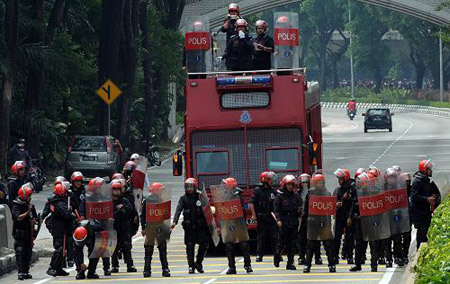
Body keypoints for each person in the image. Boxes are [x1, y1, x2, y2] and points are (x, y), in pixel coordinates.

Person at [171, 178, 210, 274]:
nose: (189, 189)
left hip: (201, 226)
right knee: (190, 246)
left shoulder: (201, 197)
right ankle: (191, 266)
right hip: (189, 227)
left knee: (204, 245)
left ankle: (199, 263)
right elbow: (178, 209)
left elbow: (208, 210)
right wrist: (174, 222)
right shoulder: (183, 198)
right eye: (187, 187)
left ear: (195, 187)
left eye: (191, 187)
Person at [349, 173, 385, 272]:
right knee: (359, 243)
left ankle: (374, 264)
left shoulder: (375, 192)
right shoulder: (358, 192)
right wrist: (351, 216)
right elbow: (354, 205)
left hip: (372, 220)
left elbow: (380, 205)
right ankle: (357, 264)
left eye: (363, 183)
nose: (361, 184)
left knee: (373, 243)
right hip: (360, 221)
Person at [217, 177, 252, 274]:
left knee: (244, 244)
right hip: (227, 223)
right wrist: (219, 226)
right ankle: (232, 267)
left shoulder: (238, 197)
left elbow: (242, 212)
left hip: (239, 222)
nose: (223, 187)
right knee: (229, 245)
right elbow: (220, 212)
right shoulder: (222, 197)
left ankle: (248, 265)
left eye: (225, 185)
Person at [303, 174, 337, 273]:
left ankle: (332, 265)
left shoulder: (327, 193)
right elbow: (306, 209)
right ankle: (307, 265)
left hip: (324, 222)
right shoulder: (310, 194)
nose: (321, 184)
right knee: (310, 245)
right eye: (319, 183)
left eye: (322, 182)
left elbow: (330, 207)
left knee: (328, 244)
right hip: (313, 223)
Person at [141, 182, 171, 278]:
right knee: (161, 248)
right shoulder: (153, 201)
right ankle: (165, 269)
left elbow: (143, 216)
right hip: (157, 226)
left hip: (152, 226)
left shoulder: (148, 201)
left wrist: (143, 228)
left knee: (149, 249)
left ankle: (147, 270)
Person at [410, 159, 441, 250]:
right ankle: (419, 250)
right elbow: (414, 196)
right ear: (424, 170)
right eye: (429, 169)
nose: (431, 171)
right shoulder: (417, 181)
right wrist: (427, 199)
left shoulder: (426, 180)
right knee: (422, 231)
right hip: (418, 212)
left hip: (425, 211)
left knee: (427, 228)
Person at [274, 175, 303, 270]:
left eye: (292, 185)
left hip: (294, 221)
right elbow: (276, 210)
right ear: (284, 185)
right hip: (284, 221)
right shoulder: (280, 196)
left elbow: (300, 207)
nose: (291, 186)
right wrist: (278, 220)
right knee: (282, 242)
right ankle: (277, 255)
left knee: (293, 243)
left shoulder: (296, 196)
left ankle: (290, 262)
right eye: (289, 184)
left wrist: (300, 213)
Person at [47, 183, 75, 277]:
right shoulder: (59, 203)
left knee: (63, 249)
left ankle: (58, 268)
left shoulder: (59, 202)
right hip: (59, 230)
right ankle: (52, 267)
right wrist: (71, 214)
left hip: (63, 229)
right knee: (59, 249)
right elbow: (66, 215)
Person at [250, 171, 278, 262]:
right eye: (269, 179)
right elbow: (252, 203)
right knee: (261, 237)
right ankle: (259, 255)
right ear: (264, 180)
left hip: (271, 217)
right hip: (261, 217)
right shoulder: (257, 190)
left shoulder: (273, 191)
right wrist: (253, 214)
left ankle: (277, 254)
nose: (271, 181)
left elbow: (276, 204)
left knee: (274, 237)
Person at [110, 179, 137, 273]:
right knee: (113, 247)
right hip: (113, 227)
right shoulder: (108, 202)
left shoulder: (125, 200)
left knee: (127, 246)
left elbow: (133, 212)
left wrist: (124, 208)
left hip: (124, 227)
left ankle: (130, 265)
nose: (116, 191)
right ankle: (114, 265)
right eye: (114, 189)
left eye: (118, 189)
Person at [11, 186, 38, 280]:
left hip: (28, 232)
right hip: (19, 232)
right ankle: (20, 272)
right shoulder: (16, 205)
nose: (30, 198)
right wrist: (28, 211)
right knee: (20, 251)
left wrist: (35, 221)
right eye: (29, 196)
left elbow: (34, 218)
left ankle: (26, 271)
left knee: (28, 252)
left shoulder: (30, 206)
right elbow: (18, 217)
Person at [297, 173, 322, 265]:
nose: (305, 185)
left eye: (307, 183)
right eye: (303, 183)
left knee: (316, 239)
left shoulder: (314, 192)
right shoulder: (297, 193)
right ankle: (301, 257)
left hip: (313, 218)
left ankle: (318, 257)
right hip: (302, 219)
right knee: (301, 239)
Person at [333, 168, 356, 265]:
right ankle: (335, 256)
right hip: (339, 216)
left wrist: (350, 217)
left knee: (349, 237)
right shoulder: (338, 190)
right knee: (336, 237)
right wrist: (336, 204)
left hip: (349, 216)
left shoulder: (353, 189)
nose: (339, 181)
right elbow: (332, 202)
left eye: (340, 179)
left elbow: (355, 203)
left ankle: (349, 256)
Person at [401, 172, 412, 263]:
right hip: (398, 218)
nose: (407, 183)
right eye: (405, 182)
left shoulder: (412, 190)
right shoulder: (398, 191)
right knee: (397, 238)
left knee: (407, 237)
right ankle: (398, 254)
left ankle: (405, 254)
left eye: (408, 182)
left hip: (408, 217)